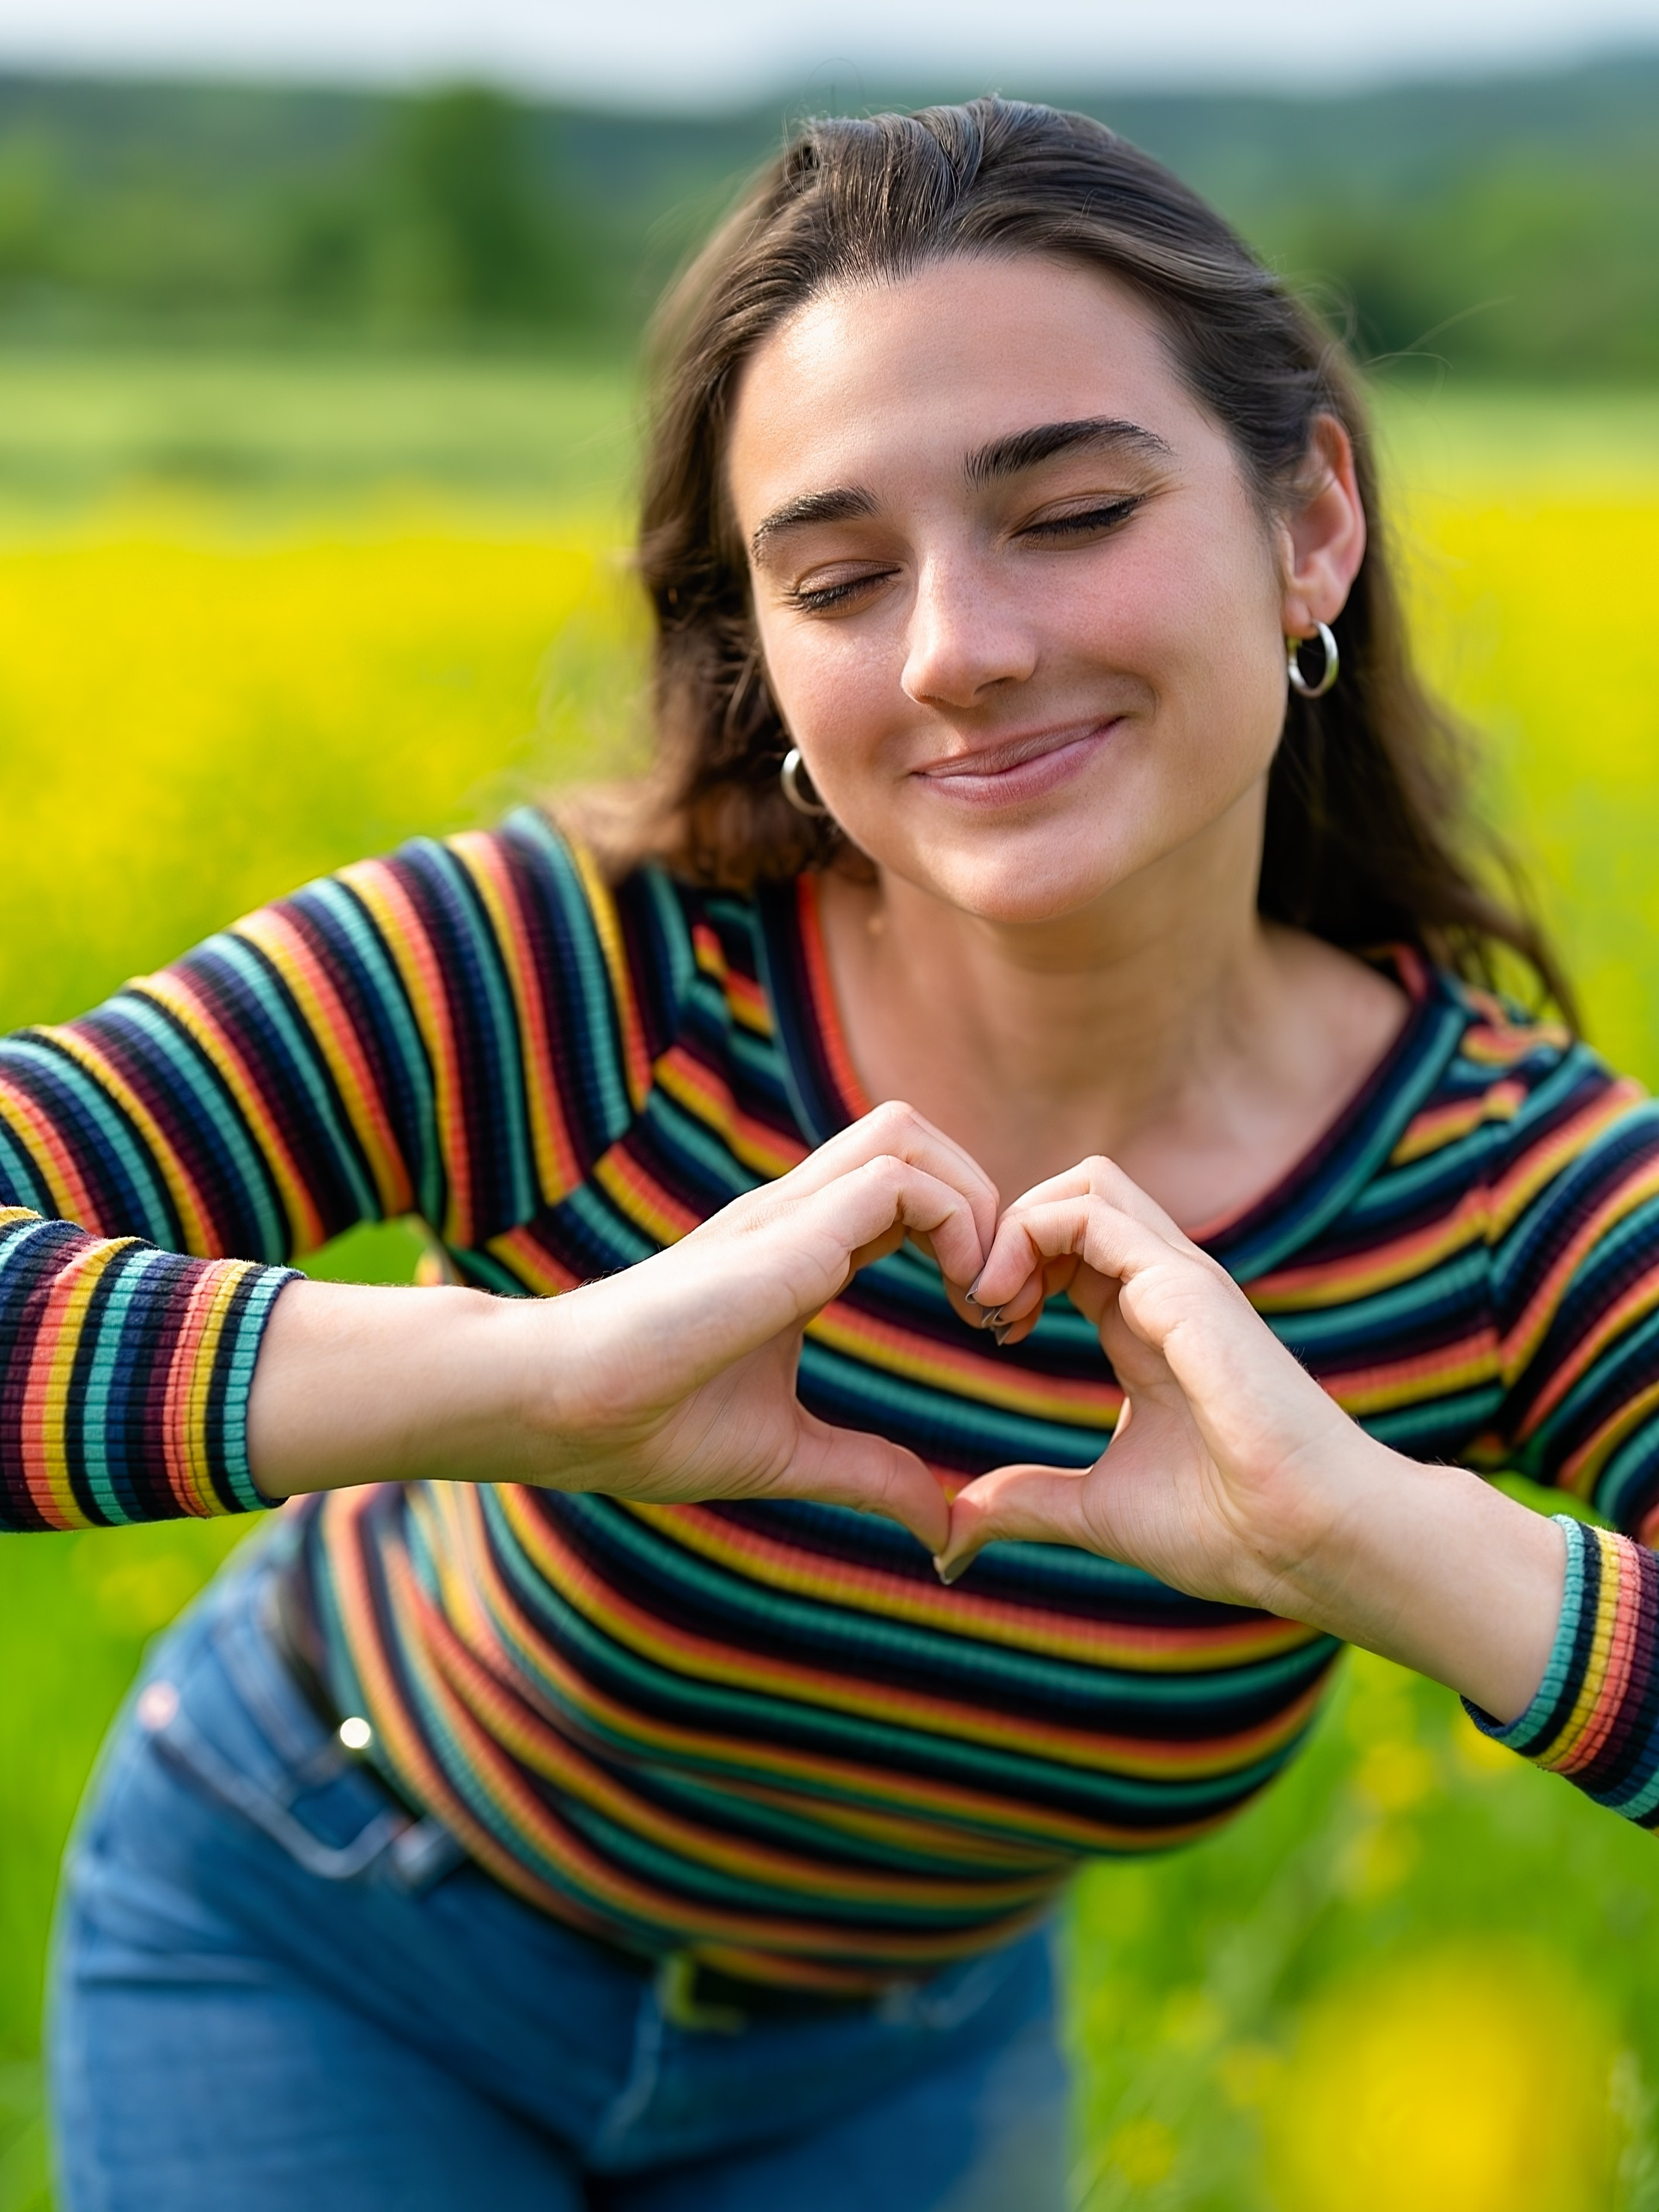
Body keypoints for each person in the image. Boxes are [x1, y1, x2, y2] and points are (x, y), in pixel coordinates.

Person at [8, 97, 1658, 2211]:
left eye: (1066, 512)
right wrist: (546, 1381)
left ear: (1311, 520)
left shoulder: (1497, 1193)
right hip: (325, 1947)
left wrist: (1372, 1537)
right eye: (841, 575)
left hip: (898, 2082)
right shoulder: (583, 978)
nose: (958, 649)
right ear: (766, 658)